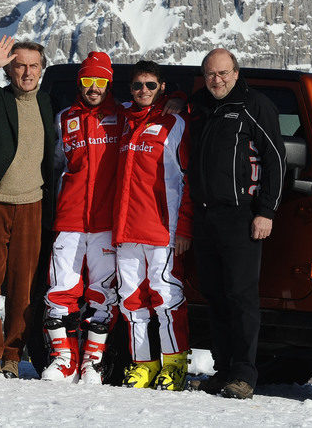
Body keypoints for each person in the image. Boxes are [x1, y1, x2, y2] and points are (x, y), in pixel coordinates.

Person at [187, 48, 285, 400]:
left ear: (236, 73)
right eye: (212, 74)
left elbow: (275, 158)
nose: (218, 80)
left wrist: (266, 211)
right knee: (214, 296)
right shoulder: (198, 105)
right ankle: (223, 370)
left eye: (224, 73)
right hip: (205, 215)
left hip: (242, 215)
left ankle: (243, 374)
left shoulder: (253, 105)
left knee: (241, 297)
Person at [0, 35, 57, 378]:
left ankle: (13, 354)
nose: (27, 72)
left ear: (41, 70)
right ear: (10, 69)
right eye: (20, 65)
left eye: (33, 66)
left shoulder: (47, 103)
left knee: (24, 286)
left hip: (31, 204)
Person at [41, 51, 121, 384]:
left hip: (106, 221)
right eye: (88, 81)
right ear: (80, 82)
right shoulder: (64, 118)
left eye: (100, 81)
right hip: (70, 218)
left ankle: (93, 362)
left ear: (109, 83)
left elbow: (157, 109)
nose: (93, 88)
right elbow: (55, 166)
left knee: (102, 293)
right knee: (61, 289)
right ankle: (64, 360)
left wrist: (175, 98)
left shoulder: (123, 117)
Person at [113, 60, 192, 390]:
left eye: (150, 85)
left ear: (161, 87)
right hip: (124, 228)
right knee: (130, 300)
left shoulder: (174, 122)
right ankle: (142, 364)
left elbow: (189, 179)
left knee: (166, 296)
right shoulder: (121, 120)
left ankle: (174, 365)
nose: (142, 91)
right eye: (137, 85)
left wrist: (184, 228)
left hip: (161, 228)